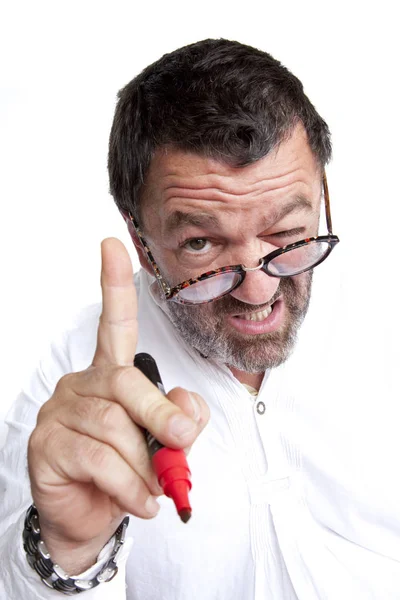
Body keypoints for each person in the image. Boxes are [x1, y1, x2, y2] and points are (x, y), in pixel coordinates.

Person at [0, 38, 398, 600]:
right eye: (202, 244)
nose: (259, 288)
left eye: (286, 233)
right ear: (141, 240)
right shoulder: (74, 381)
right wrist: (65, 551)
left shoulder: (389, 309)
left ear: (321, 193)